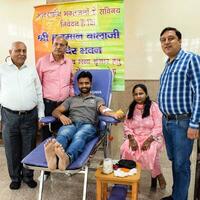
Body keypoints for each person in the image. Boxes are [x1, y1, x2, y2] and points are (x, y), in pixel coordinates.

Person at [44, 71, 124, 170]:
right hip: (71, 123)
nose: (84, 85)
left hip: (88, 125)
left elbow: (103, 109)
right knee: (64, 133)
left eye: (86, 83)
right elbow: (55, 111)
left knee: (79, 136)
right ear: (78, 84)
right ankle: (54, 157)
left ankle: (67, 158)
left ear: (91, 84)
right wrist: (61, 116)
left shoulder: (97, 99)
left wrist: (113, 114)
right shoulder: (71, 99)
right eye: (81, 83)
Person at [158, 27, 200, 200]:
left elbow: (199, 92)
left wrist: (194, 124)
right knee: (175, 162)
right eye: (163, 39)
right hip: (167, 121)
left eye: (171, 38)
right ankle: (177, 194)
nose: (166, 42)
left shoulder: (191, 59)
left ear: (180, 41)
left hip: (182, 123)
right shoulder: (168, 63)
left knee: (181, 165)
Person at [0, 41, 44, 190]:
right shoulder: (2, 69)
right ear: (10, 52)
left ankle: (28, 176)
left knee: (29, 147)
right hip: (8, 115)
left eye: (24, 51)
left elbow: (39, 93)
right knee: (12, 149)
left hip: (30, 115)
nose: (22, 54)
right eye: (18, 50)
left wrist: (41, 115)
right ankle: (15, 177)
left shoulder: (31, 69)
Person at [36, 35, 74, 180]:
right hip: (48, 104)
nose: (58, 47)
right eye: (56, 44)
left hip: (64, 105)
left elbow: (71, 83)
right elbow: (37, 85)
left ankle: (64, 163)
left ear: (66, 48)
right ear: (52, 45)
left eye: (62, 45)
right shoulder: (42, 62)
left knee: (65, 133)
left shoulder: (69, 62)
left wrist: (70, 98)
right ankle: (45, 170)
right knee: (47, 137)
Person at [120, 84, 166, 190]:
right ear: (133, 96)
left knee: (151, 151)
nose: (138, 96)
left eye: (141, 93)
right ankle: (131, 178)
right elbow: (126, 125)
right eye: (136, 94)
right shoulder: (132, 108)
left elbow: (159, 126)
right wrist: (131, 139)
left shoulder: (154, 107)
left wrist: (149, 140)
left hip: (152, 136)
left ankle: (158, 175)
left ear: (146, 94)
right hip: (135, 136)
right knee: (125, 149)